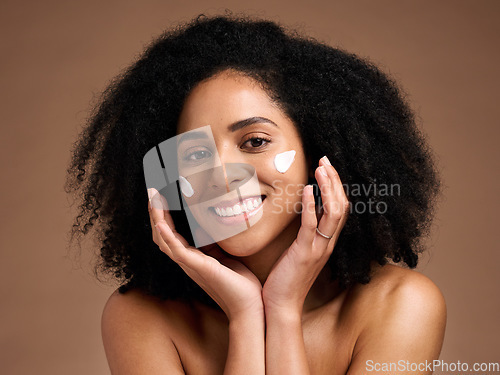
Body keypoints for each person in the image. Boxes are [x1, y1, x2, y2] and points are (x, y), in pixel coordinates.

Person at [65, 13, 446, 374]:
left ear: (318, 150)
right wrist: (245, 315)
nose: (221, 177)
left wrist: (281, 309)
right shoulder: (140, 316)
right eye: (195, 154)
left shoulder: (402, 306)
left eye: (255, 141)